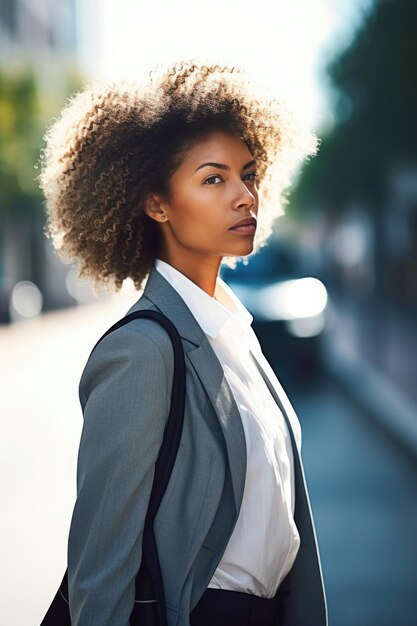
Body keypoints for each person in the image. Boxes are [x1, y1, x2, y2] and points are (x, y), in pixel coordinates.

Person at [39, 61, 327, 626]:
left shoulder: (237, 337)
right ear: (156, 204)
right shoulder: (141, 352)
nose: (245, 196)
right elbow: (100, 571)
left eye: (248, 174)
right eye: (213, 179)